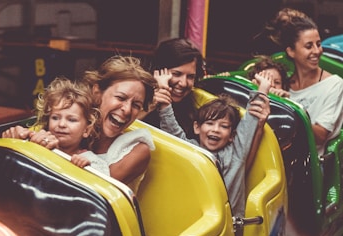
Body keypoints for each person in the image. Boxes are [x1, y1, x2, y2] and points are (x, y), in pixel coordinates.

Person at [2, 55, 165, 236]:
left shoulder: (137, 149)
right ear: (97, 92)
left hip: (103, 228)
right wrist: (16, 138)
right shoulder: (69, 125)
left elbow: (89, 192)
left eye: (136, 105)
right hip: (56, 225)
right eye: (121, 98)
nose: (126, 110)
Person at [154, 68, 272, 218]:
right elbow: (171, 128)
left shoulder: (236, 153)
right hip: (197, 220)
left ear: (231, 136)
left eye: (223, 126)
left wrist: (262, 89)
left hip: (228, 227)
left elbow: (250, 120)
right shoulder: (190, 149)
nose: (216, 130)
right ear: (197, 127)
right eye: (210, 123)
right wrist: (164, 90)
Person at [269, 15, 343, 156]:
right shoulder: (284, 83)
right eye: (309, 46)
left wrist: (288, 107)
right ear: (291, 51)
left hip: (309, 165)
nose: (317, 51)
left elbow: (320, 136)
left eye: (319, 44)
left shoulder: (334, 85)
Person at [139, 37, 206, 141]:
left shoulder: (193, 111)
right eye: (176, 74)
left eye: (190, 77)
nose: (183, 83)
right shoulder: (135, 95)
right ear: (158, 71)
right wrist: (150, 106)